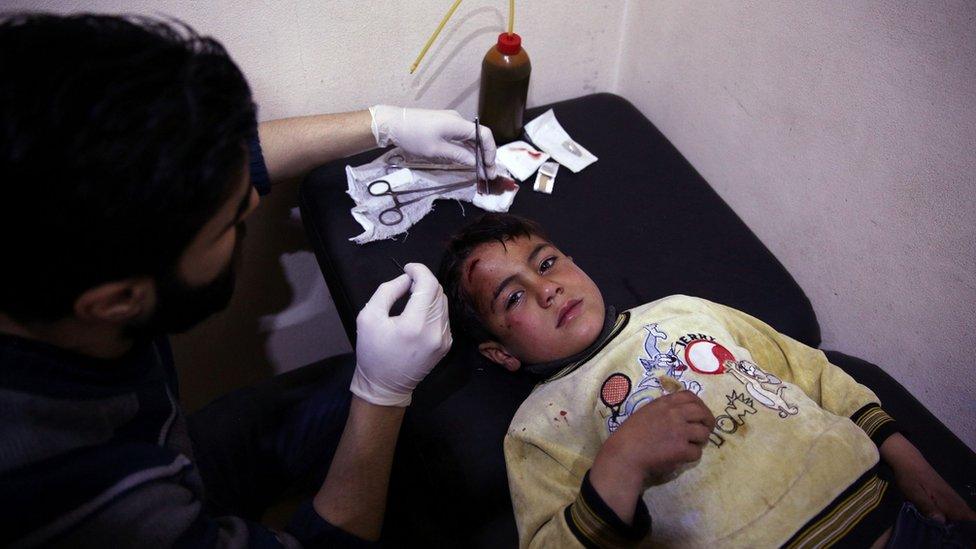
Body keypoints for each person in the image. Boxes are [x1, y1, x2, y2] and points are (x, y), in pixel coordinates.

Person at [0, 13, 494, 547]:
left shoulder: (53, 239)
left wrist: (382, 123)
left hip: (175, 439)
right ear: (117, 300)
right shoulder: (93, 497)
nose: (255, 203)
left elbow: (227, 168)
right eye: (230, 225)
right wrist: (381, 394)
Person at [437, 213, 976, 548]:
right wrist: (621, 463)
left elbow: (810, 371)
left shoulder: (681, 310)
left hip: (895, 520)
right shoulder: (535, 429)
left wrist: (907, 458)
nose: (546, 288)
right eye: (512, 297)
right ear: (499, 353)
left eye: (548, 262)